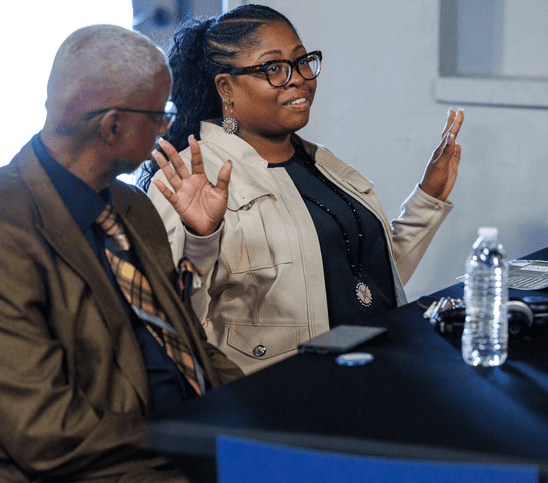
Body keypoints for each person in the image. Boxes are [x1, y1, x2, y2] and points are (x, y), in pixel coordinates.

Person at [0, 24, 243, 483]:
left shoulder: (131, 209)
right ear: (113, 126)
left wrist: (259, 410)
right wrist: (194, 434)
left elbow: (190, 347)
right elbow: (48, 437)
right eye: (160, 113)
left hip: (149, 452)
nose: (167, 127)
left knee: (302, 463)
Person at [144, 4, 464, 374]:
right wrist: (201, 239)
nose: (298, 79)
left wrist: (429, 197)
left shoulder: (323, 164)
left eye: (302, 62)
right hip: (284, 394)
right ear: (226, 88)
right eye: (274, 68)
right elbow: (172, 324)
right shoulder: (187, 180)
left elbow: (366, 277)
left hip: (379, 367)